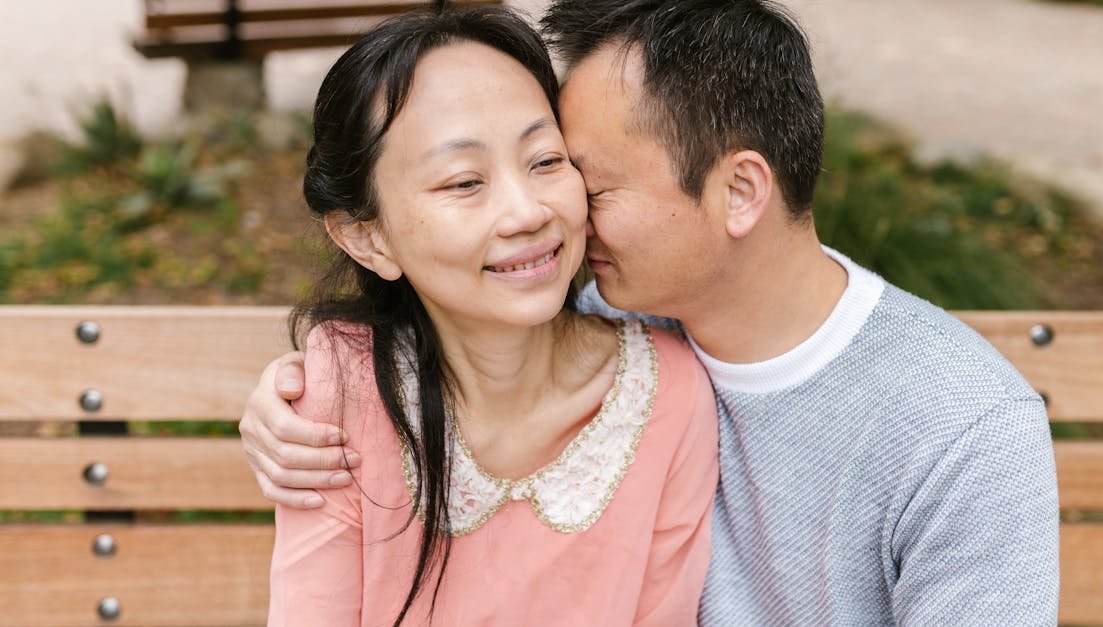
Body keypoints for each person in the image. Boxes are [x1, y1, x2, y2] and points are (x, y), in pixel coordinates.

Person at [242, 1, 1060, 624]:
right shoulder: (607, 308)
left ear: (739, 192)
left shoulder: (964, 431)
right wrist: (293, 393)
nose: (550, 215)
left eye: (576, 177)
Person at [265, 5, 719, 625]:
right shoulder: (344, 385)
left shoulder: (667, 391)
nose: (526, 212)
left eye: (546, 160)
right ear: (369, 239)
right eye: (462, 182)